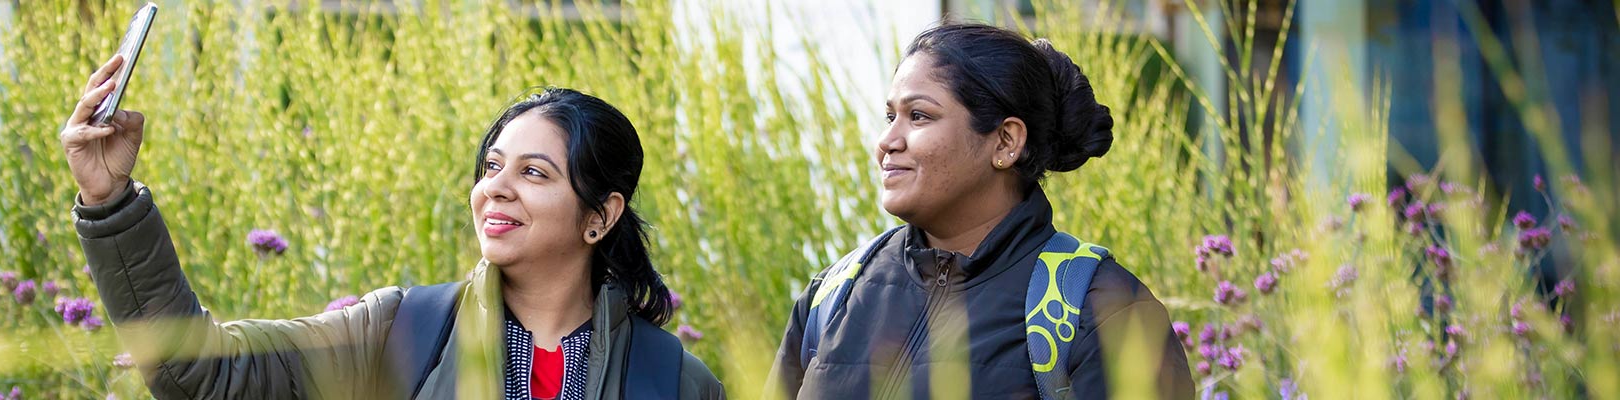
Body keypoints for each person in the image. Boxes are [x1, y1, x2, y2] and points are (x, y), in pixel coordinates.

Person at [58, 55, 722, 399]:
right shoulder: (397, 334)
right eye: (491, 166)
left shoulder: (674, 381)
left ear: (600, 216)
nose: (496, 186)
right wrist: (111, 200)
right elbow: (200, 373)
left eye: (535, 173)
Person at [769, 23, 1194, 399]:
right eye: (889, 116)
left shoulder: (1102, 311)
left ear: (1006, 141)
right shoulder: (833, 296)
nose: (887, 141)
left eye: (918, 116)